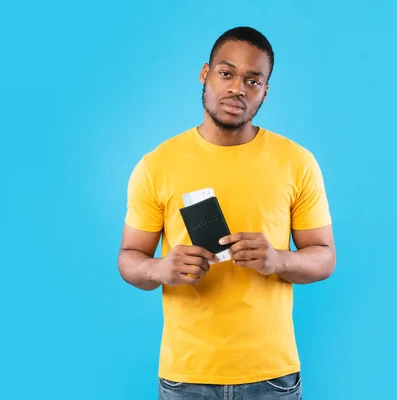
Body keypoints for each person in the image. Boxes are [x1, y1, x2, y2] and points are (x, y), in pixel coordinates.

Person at [118, 26, 336, 399]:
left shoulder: (297, 163)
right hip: (186, 375)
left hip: (271, 375)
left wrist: (278, 259)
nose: (238, 88)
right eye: (226, 73)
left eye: (253, 80)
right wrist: (159, 268)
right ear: (205, 74)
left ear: (265, 92)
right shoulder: (157, 165)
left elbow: (325, 258)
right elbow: (129, 258)